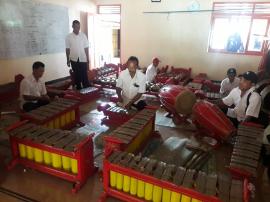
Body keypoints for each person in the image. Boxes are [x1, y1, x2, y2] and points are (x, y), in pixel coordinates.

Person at [65, 20, 90, 90]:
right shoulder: (68, 37)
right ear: (72, 26)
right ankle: (79, 89)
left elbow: (86, 47)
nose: (77, 29)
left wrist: (87, 58)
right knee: (77, 75)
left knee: (84, 74)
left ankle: (87, 88)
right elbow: (67, 49)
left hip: (83, 58)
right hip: (73, 59)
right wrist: (68, 60)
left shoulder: (83, 35)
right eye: (76, 27)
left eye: (78, 27)